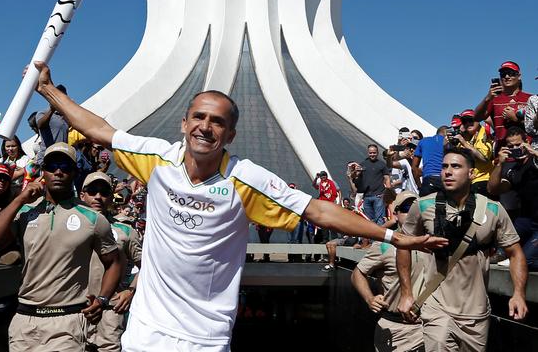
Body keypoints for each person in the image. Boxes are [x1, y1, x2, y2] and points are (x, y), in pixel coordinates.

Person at [26, 61, 447, 352]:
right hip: (147, 330)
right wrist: (46, 90)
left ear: (229, 134)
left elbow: (316, 210)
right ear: (184, 123)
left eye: (217, 122)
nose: (205, 127)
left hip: (205, 335)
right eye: (199, 117)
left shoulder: (245, 179)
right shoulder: (157, 158)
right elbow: (99, 129)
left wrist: (395, 236)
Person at [0, 142, 122, 352]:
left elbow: (115, 262)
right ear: (42, 171)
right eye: (52, 165)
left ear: (74, 172)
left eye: (65, 167)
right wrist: (19, 199)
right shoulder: (25, 212)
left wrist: (102, 299)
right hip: (24, 321)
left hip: (67, 321)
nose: (58, 171)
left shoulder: (93, 219)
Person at [398, 148, 529, 351]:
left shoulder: (493, 210)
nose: (448, 172)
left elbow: (515, 253)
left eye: (456, 166)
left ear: (472, 174)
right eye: (444, 166)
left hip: (476, 314)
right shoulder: (423, 206)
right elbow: (402, 245)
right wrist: (406, 293)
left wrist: (519, 294)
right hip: (436, 308)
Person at [351, 191, 426, 352]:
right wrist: (369, 298)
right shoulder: (383, 246)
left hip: (429, 328)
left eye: (416, 207)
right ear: (395, 214)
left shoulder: (432, 243)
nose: (412, 212)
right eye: (406, 208)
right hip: (395, 330)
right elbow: (357, 273)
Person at [81, 171, 142, 352]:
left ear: (111, 196)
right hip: (74, 309)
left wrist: (131, 291)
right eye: (92, 191)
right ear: (82, 194)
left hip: (110, 311)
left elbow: (149, 266)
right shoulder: (67, 225)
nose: (98, 196)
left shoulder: (125, 230)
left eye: (104, 192)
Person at [487, 126, 538, 270]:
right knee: (500, 253)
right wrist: (499, 164)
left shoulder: (534, 160)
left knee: (527, 261)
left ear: (526, 142)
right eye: (511, 146)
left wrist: (533, 152)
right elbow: (493, 189)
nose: (515, 148)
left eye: (518, 145)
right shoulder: (512, 168)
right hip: (527, 220)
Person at [473, 61, 532, 148]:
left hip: (528, 151)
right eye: (503, 74)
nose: (507, 77)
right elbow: (477, 118)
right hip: (503, 152)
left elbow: (535, 126)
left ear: (519, 76)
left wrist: (516, 119)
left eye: (511, 73)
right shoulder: (494, 99)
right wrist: (487, 98)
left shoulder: (530, 98)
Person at [450, 109, 493, 196]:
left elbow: (484, 158)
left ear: (478, 120)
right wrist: (450, 143)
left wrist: (464, 143)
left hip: (483, 181)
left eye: (471, 120)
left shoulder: (483, 132)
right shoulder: (464, 137)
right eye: (465, 121)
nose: (468, 123)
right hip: (469, 183)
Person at [353, 144, 391, 225]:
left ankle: (379, 237)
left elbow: (387, 178)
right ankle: (372, 237)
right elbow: (356, 180)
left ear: (377, 153)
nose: (372, 154)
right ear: (368, 153)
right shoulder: (362, 164)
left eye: (374, 153)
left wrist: (387, 193)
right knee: (369, 221)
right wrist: (356, 173)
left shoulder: (381, 164)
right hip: (366, 196)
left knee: (380, 220)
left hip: (379, 196)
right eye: (370, 153)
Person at [413, 127, 448, 197]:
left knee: (426, 206)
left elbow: (414, 167)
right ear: (447, 133)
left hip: (428, 180)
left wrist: (420, 186)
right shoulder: (449, 143)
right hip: (444, 180)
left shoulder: (423, 141)